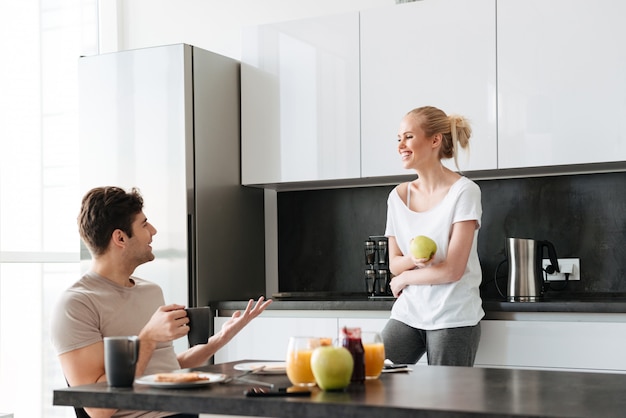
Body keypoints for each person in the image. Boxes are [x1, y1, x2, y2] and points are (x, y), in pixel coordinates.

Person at [51, 186, 273, 418]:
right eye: (144, 224)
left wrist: (219, 339)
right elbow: (98, 408)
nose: (153, 231)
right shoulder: (77, 305)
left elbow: (164, 369)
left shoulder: (150, 291)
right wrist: (148, 338)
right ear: (120, 238)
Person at [380, 106, 484, 367]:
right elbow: (393, 264)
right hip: (408, 313)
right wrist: (414, 261)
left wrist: (405, 277)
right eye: (398, 139)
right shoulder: (398, 197)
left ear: (435, 140)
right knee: (368, 374)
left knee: (447, 403)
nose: (400, 145)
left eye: (408, 137)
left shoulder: (464, 192)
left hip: (453, 315)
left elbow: (452, 270)